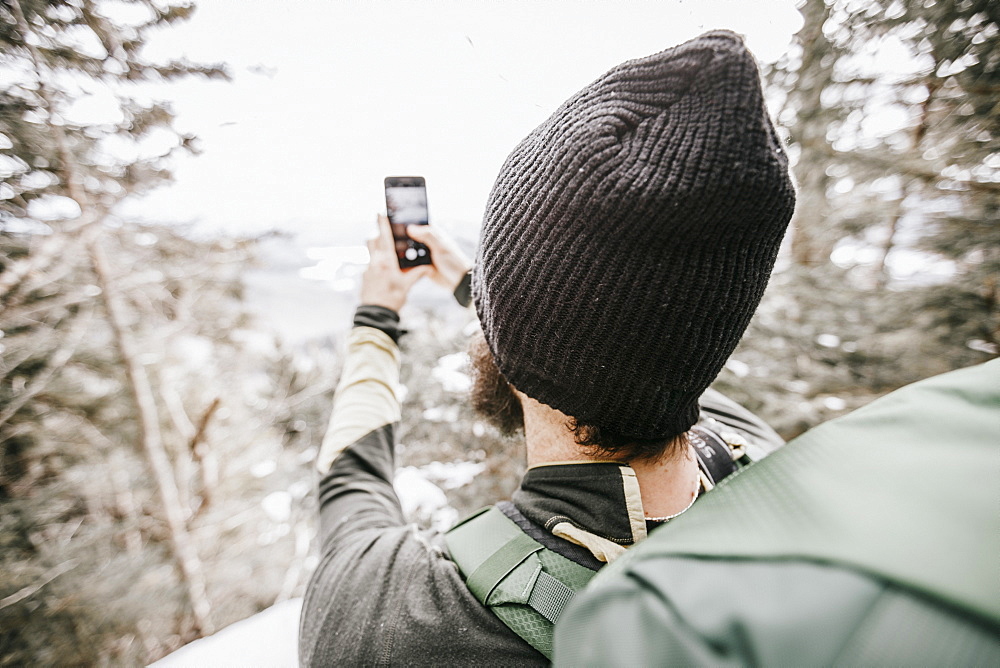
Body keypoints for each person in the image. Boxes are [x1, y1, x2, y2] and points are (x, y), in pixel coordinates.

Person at [298, 30, 795, 666]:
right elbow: (623, 326)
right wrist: (477, 284)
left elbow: (351, 480)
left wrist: (376, 315)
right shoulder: (757, 451)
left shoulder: (405, 624)